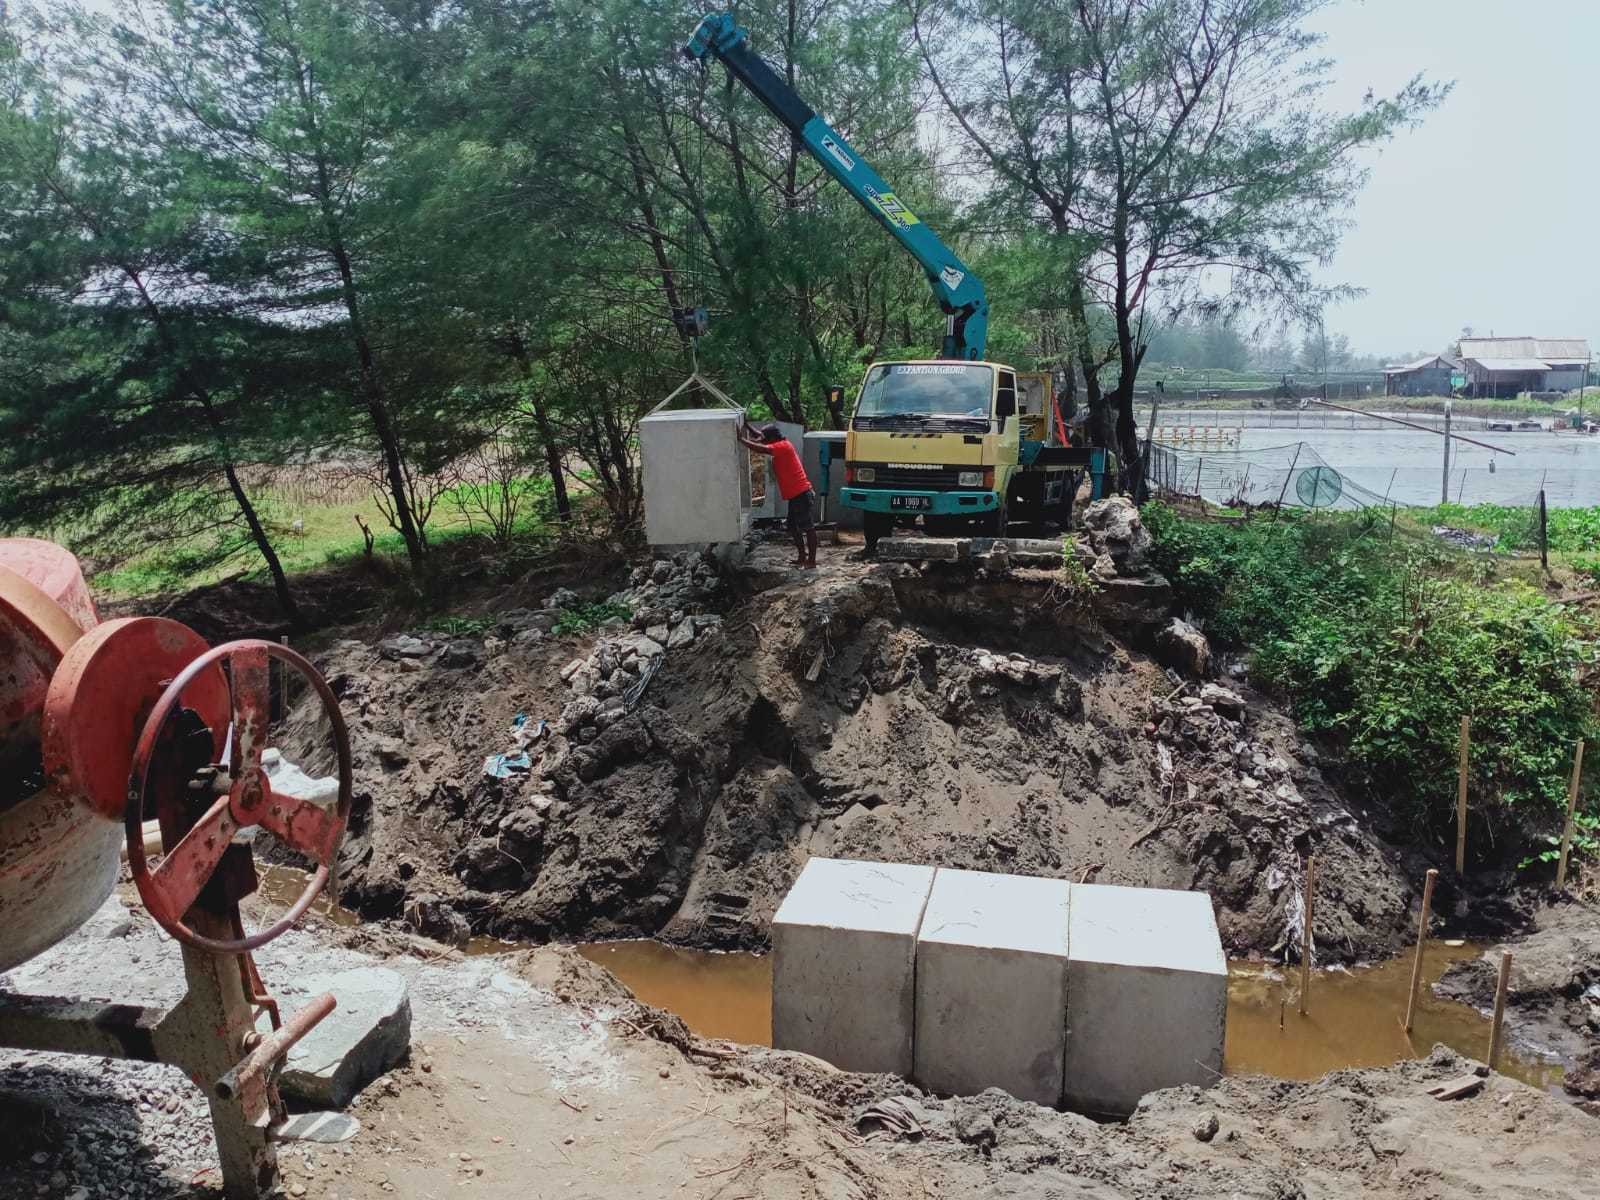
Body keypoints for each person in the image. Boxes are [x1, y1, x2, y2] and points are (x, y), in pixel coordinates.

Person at [738, 420, 817, 568]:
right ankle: (802, 557)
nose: (762, 439)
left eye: (765, 438)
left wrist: (741, 439)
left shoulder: (782, 447)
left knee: (808, 527)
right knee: (793, 527)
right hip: (796, 494)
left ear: (772, 439)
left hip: (800, 493)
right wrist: (747, 425)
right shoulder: (780, 442)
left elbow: (761, 448)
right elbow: (761, 438)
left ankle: (811, 561)